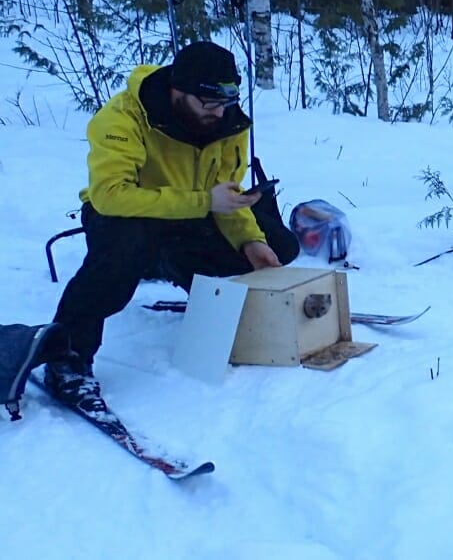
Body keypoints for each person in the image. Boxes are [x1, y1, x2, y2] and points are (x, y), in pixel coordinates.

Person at [37, 41, 299, 412]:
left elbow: (227, 194)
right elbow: (110, 195)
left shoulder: (227, 121)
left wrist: (250, 242)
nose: (218, 113)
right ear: (178, 91)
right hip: (126, 215)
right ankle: (67, 355)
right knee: (126, 247)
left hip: (192, 214)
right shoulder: (124, 117)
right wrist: (205, 202)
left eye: (224, 104)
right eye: (207, 104)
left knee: (279, 247)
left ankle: (169, 264)